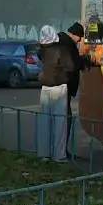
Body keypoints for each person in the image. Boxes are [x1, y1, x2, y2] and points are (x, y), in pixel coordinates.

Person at [36, 25, 75, 162]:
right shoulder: (61, 50)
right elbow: (71, 66)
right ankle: (59, 155)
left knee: (44, 122)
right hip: (59, 87)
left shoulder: (42, 50)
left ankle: (44, 154)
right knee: (60, 122)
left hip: (45, 87)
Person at [58, 21, 91, 156]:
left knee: (63, 119)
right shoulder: (67, 45)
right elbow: (72, 64)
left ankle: (61, 150)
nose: (80, 40)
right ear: (74, 34)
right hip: (64, 87)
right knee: (66, 120)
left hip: (62, 87)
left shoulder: (63, 42)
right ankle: (61, 151)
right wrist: (83, 61)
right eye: (79, 36)